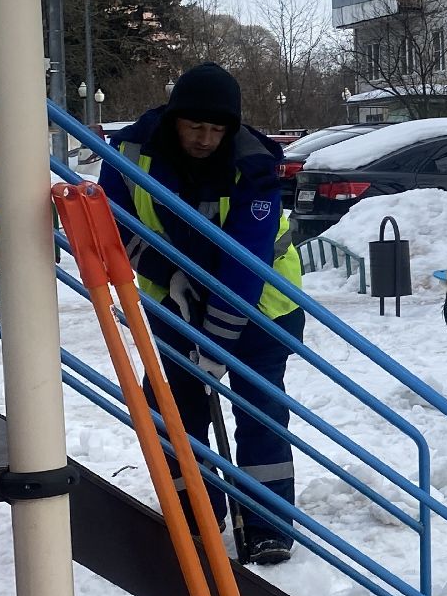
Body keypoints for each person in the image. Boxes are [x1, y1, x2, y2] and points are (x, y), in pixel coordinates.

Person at [99, 63, 307, 565]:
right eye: (196, 127)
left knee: (260, 409)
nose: (205, 139)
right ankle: (197, 515)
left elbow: (245, 261)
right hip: (175, 301)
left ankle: (267, 525)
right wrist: (165, 274)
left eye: (217, 130)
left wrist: (215, 342)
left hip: (262, 308)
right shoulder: (129, 154)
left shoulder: (254, 163)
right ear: (174, 120)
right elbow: (111, 226)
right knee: (172, 408)